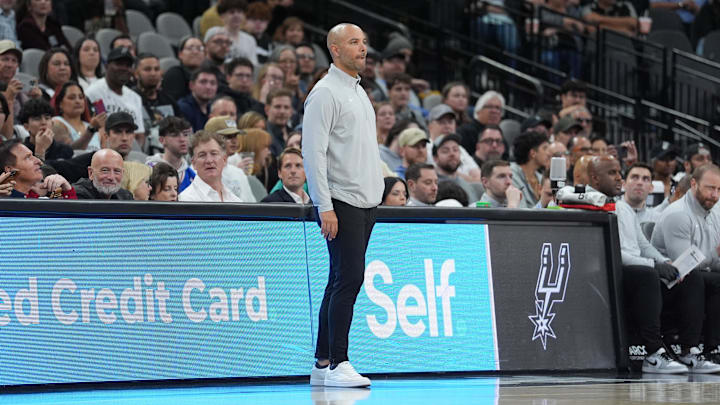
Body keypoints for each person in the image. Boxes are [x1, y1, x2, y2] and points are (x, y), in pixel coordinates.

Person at [303, 23, 383, 388]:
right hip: (342, 200)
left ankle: (322, 363)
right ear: (334, 49)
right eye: (354, 42)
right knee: (348, 279)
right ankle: (339, 362)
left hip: (366, 200)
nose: (362, 48)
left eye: (364, 42)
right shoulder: (324, 93)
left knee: (338, 280)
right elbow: (313, 154)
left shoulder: (358, 92)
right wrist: (324, 205)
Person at [587, 157, 695, 374]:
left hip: (637, 271)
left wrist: (664, 263)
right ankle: (652, 354)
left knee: (692, 277)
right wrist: (653, 265)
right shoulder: (587, 203)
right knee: (646, 274)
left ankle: (691, 349)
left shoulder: (622, 207)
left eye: (619, 172)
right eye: (612, 173)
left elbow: (643, 245)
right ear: (595, 179)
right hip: (606, 274)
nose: (619, 177)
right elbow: (612, 251)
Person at [85, 46, 145, 148]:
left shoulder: (135, 97)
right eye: (119, 64)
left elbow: (139, 135)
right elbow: (101, 128)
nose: (125, 68)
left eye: (128, 65)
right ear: (107, 65)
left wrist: (133, 151)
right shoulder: (95, 92)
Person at [204, 115, 256, 202]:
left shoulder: (238, 173)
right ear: (209, 138)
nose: (234, 141)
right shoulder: (199, 172)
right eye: (228, 137)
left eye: (235, 136)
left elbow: (251, 205)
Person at [179, 130, 242, 202]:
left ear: (224, 160)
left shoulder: (235, 200)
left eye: (214, 153)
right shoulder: (186, 200)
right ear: (194, 163)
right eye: (202, 155)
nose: (209, 160)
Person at [0, 138, 75, 198]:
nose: (38, 161)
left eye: (33, 156)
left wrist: (66, 189)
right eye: (28, 158)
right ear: (10, 169)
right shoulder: (4, 204)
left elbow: (66, 215)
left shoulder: (38, 197)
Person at [426, 103, 480, 182]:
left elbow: (479, 178)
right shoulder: (426, 148)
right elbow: (443, 174)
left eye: (450, 122)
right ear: (430, 126)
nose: (447, 126)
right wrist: (468, 179)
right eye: (442, 122)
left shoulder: (460, 148)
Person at [133, 54, 180, 137]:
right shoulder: (131, 98)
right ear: (136, 74)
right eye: (147, 69)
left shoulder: (169, 100)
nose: (153, 73)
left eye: (156, 69)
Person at [146, 116, 195, 193]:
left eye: (185, 134)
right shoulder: (149, 171)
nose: (182, 139)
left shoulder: (192, 175)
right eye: (175, 135)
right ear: (162, 140)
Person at [51, 81, 105, 151]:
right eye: (71, 98)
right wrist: (91, 130)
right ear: (60, 104)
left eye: (81, 97)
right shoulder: (56, 123)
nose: (78, 101)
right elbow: (69, 152)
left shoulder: (92, 126)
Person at [432, 133, 479, 204]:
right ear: (435, 158)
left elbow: (476, 207)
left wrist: (487, 205)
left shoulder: (467, 184)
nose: (452, 154)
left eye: (455, 150)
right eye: (445, 151)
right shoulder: (431, 184)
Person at [511, 131, 550, 208]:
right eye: (545, 148)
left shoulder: (540, 177)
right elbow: (520, 212)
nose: (549, 153)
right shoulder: (511, 175)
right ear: (533, 153)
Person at [162, 36, 205, 102]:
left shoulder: (209, 74)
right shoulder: (174, 74)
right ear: (180, 54)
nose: (195, 52)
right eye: (190, 48)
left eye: (200, 48)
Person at [178, 66, 219, 132]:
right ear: (191, 85)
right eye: (203, 82)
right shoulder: (183, 108)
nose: (208, 87)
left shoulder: (213, 108)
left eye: (213, 83)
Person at [218, 0, 258, 66]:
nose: (236, 15)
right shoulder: (215, 34)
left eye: (240, 12)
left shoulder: (250, 39)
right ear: (222, 16)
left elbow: (253, 64)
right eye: (231, 12)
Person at [265, 87, 294, 156]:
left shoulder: (295, 134)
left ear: (291, 111)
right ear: (267, 109)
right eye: (277, 107)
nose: (282, 111)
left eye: (286, 107)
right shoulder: (263, 135)